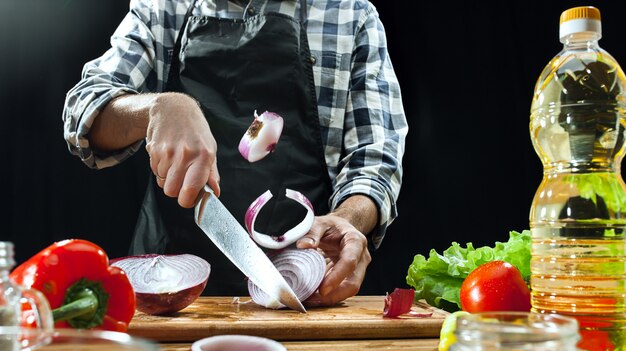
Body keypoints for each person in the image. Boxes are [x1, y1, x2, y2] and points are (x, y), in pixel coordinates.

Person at [62, 0, 407, 307]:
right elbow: (84, 111)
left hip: (305, 284)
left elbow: (375, 160)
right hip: (170, 301)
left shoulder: (350, 14)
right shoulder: (163, 8)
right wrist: (157, 107)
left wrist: (347, 219)